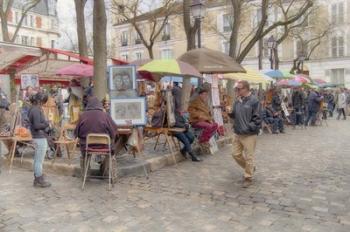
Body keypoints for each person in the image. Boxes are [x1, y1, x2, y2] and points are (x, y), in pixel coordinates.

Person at [229, 80, 261, 186]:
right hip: (238, 132)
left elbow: (258, 119)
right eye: (236, 88)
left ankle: (248, 177)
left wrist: (248, 128)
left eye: (239, 88)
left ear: (246, 89)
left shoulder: (254, 101)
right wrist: (230, 113)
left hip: (249, 134)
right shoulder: (237, 101)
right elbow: (235, 115)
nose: (237, 90)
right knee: (235, 154)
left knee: (249, 157)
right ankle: (250, 167)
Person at [74, 97, 117, 174]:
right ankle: (106, 171)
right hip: (104, 146)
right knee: (111, 149)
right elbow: (113, 130)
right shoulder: (105, 115)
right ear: (99, 105)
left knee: (84, 151)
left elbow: (76, 133)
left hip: (87, 146)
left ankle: (85, 173)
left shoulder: (83, 115)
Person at [28, 92, 51, 188]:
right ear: (40, 101)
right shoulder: (35, 110)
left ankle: (38, 178)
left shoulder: (33, 109)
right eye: (43, 102)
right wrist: (47, 124)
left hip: (38, 137)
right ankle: (38, 179)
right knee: (38, 161)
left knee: (38, 160)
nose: (44, 104)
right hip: (39, 137)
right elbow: (37, 125)